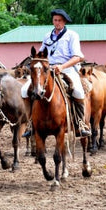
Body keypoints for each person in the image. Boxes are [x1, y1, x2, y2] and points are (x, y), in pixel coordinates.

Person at [24, 8, 91, 138]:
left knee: (78, 91)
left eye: (60, 20)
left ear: (64, 21)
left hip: (68, 68)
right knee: (24, 90)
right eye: (55, 20)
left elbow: (78, 57)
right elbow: (41, 53)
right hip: (47, 70)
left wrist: (62, 66)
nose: (57, 23)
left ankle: (80, 124)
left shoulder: (72, 35)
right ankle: (31, 123)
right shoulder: (47, 36)